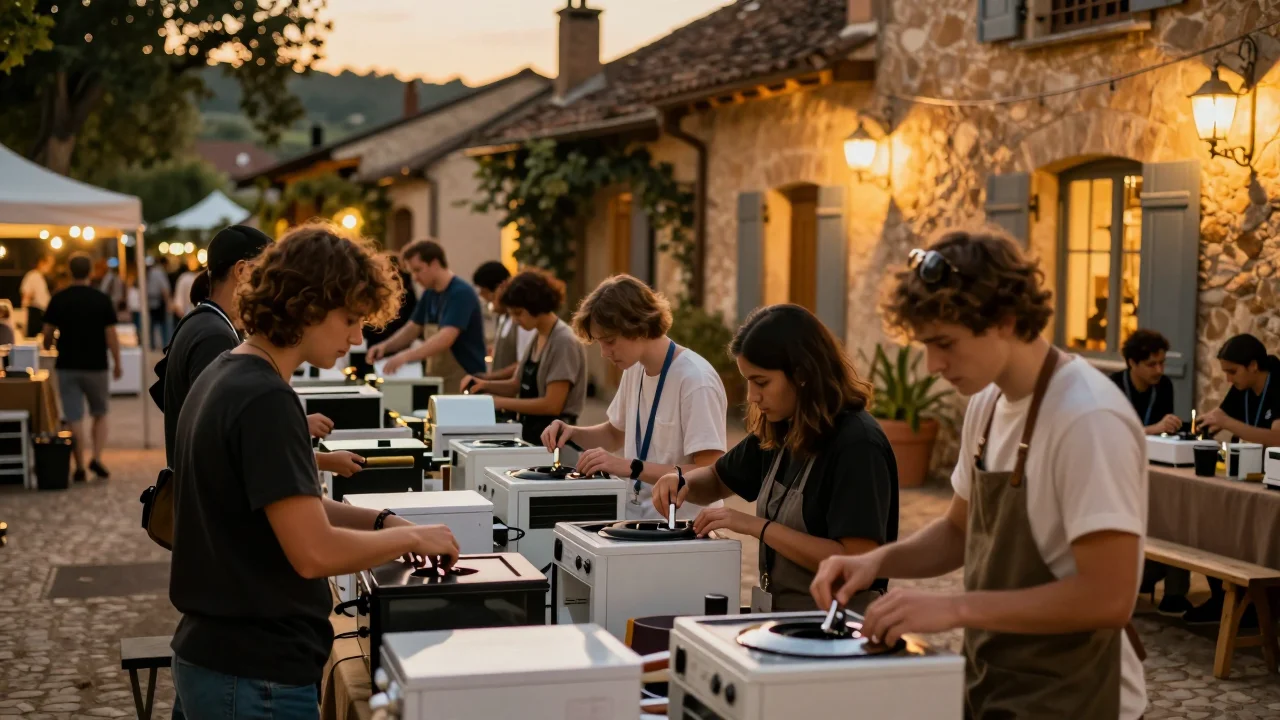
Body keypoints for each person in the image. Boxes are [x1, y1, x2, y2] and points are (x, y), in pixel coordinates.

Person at [811, 230, 1147, 719]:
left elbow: (1108, 598)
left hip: (1078, 697)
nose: (932, 365)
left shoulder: (1088, 418)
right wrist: (875, 562)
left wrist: (954, 608)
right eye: (926, 345)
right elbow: (957, 531)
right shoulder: (987, 404)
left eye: (945, 343)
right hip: (995, 685)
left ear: (1004, 320)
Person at [168, 223, 459, 720]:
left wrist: (384, 521)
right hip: (255, 672)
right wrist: (411, 540)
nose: (356, 336)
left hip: (222, 658)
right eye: (350, 319)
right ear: (307, 304)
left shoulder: (228, 370)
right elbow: (314, 552)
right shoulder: (266, 397)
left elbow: (282, 503)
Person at [651, 304, 898, 612]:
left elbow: (857, 560)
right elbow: (716, 478)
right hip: (785, 619)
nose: (752, 396)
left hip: (839, 625)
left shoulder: (858, 445)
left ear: (803, 374)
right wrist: (681, 480)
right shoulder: (782, 427)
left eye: (762, 382)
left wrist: (757, 526)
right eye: (748, 382)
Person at [156, 225, 360, 478]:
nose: (277, 285)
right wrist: (322, 460)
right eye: (270, 273)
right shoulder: (214, 334)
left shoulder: (206, 322)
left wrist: (293, 425)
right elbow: (225, 441)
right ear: (242, 271)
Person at [542, 275, 729, 521]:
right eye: (600, 343)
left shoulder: (696, 380)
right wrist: (571, 433)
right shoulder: (634, 368)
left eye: (610, 341)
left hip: (686, 529)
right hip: (639, 521)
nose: (604, 353)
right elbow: (613, 434)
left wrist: (631, 467)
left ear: (638, 326)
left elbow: (710, 471)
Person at [1178, 332, 1280, 625]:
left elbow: (1276, 438)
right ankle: (1222, 600)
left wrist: (1228, 423)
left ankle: (1258, 606)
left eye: (1232, 372)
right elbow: (1218, 417)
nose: (1228, 379)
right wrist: (1197, 427)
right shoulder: (1241, 386)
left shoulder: (1278, 384)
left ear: (1253, 366)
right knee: (1210, 524)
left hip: (1274, 479)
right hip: (1247, 475)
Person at [460, 269, 586, 445]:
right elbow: (517, 384)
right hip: (533, 433)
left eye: (518, 313)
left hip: (557, 440)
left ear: (536, 306)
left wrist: (497, 402)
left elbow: (552, 404)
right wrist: (483, 385)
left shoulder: (563, 341)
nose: (514, 320)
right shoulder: (538, 335)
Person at [42, 253, 122, 482]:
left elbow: (47, 334)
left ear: (69, 271)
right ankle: (96, 457)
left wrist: (50, 344)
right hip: (97, 365)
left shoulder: (59, 298)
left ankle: (78, 465)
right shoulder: (101, 299)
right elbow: (111, 335)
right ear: (91, 272)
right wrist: (117, 362)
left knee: (73, 416)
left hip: (67, 364)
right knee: (100, 412)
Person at [366, 239, 486, 392]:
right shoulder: (429, 294)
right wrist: (385, 346)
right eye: (412, 272)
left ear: (435, 263)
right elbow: (412, 328)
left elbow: (446, 338)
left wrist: (405, 356)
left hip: (466, 380)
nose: (414, 277)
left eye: (418, 270)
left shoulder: (460, 293)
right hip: (439, 378)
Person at [473, 260, 535, 381]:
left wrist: (489, 377)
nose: (487, 301)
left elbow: (523, 362)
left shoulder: (523, 322)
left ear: (500, 288)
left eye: (486, 293)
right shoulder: (502, 319)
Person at [1111, 329, 1181, 436]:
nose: (1159, 370)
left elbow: (1165, 431)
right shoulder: (1114, 386)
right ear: (1132, 363)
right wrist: (1152, 429)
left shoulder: (1164, 385)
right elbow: (1112, 433)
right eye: (1151, 365)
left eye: (1162, 363)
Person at [20, 253, 53, 339]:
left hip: (42, 312)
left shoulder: (40, 277)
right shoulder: (32, 275)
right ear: (42, 263)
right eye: (49, 265)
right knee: (34, 338)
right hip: (35, 312)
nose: (50, 268)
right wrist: (25, 314)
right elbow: (26, 295)